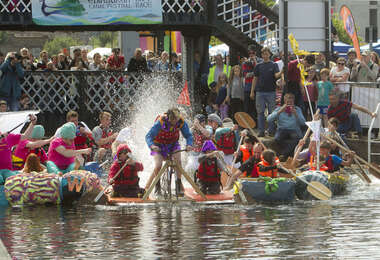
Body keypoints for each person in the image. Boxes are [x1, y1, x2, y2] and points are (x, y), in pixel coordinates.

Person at [145, 108, 193, 196]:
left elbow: (188, 135)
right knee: (158, 164)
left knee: (178, 161)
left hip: (173, 145)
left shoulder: (181, 121)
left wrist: (189, 144)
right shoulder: (161, 121)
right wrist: (152, 146)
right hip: (158, 145)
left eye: (176, 119)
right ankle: (157, 186)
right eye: (173, 119)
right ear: (169, 117)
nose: (175, 121)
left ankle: (178, 185)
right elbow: (148, 136)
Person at [250, 47, 282, 137]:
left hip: (271, 91)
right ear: (262, 55)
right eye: (263, 54)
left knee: (272, 112)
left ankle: (271, 130)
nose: (265, 55)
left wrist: (282, 71)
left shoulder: (274, 65)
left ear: (269, 54)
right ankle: (261, 131)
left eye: (267, 53)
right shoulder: (258, 66)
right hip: (260, 92)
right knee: (260, 112)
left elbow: (276, 76)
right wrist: (252, 91)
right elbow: (255, 79)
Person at [267, 92, 306, 158]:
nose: (289, 103)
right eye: (288, 102)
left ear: (294, 101)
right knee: (277, 139)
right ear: (284, 101)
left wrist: (296, 114)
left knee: (298, 139)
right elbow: (269, 119)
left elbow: (303, 123)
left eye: (291, 101)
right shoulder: (279, 109)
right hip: (282, 129)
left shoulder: (297, 109)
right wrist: (280, 111)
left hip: (294, 129)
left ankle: (284, 154)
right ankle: (285, 154)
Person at [242, 45, 257, 121]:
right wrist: (254, 73)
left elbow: (259, 71)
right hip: (247, 88)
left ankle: (255, 123)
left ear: (255, 53)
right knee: (247, 107)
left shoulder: (259, 61)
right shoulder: (245, 63)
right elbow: (246, 75)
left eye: (253, 53)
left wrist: (255, 61)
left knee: (255, 108)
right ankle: (246, 124)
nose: (251, 54)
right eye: (249, 53)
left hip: (256, 88)